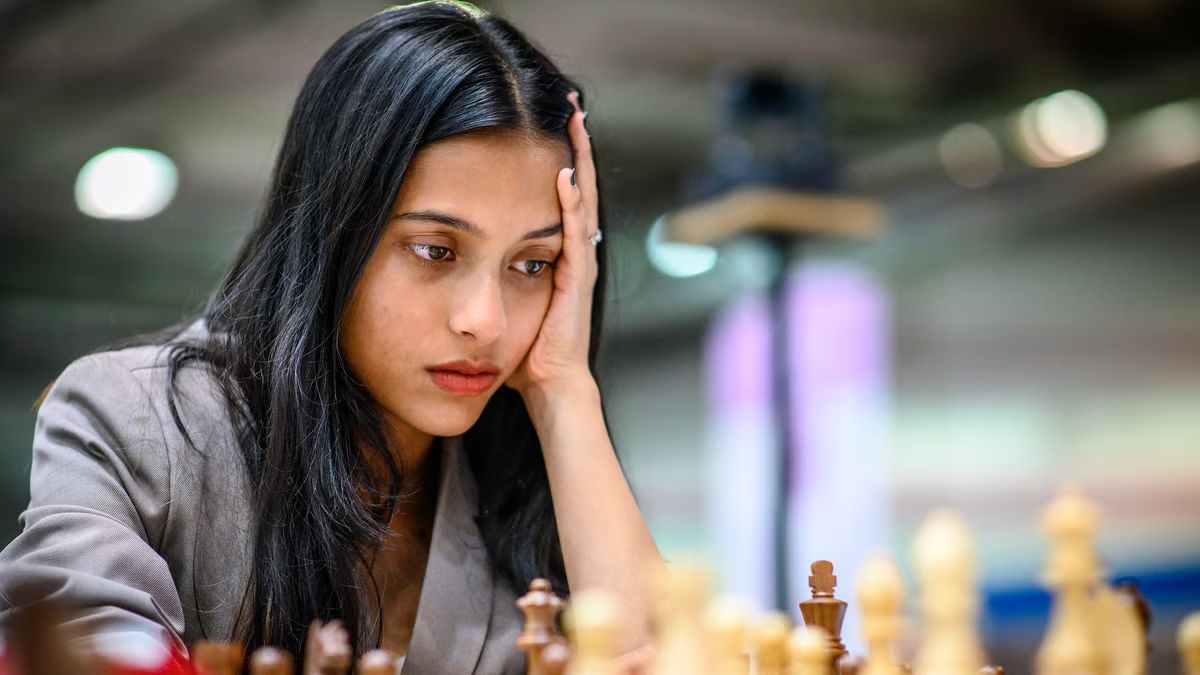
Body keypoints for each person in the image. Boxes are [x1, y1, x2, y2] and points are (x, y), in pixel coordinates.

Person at [0, 2, 663, 671]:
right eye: (436, 250)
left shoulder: (534, 472)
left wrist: (563, 388)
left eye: (532, 264)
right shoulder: (135, 422)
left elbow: (664, 655)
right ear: (331, 234)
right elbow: (69, 654)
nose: (484, 320)